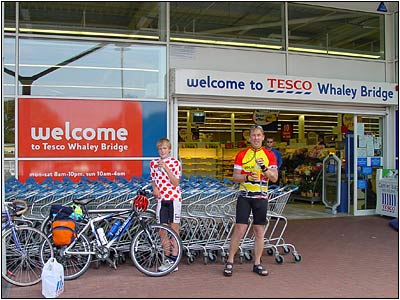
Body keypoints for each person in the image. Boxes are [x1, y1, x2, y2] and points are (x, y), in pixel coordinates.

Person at [223, 125, 278, 277]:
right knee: (240, 228)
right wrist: (247, 177)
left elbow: (274, 178)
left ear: (263, 137)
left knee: (259, 230)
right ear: (249, 137)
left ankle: (257, 263)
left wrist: (264, 169)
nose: (256, 138)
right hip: (245, 196)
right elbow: (235, 177)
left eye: (258, 135)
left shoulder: (269, 155)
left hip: (261, 197)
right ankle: (230, 261)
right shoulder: (242, 154)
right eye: (253, 135)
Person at [150, 138, 182, 272]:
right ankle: (167, 257)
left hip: (173, 198)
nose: (162, 151)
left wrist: (166, 169)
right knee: (162, 230)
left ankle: (175, 259)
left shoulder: (175, 163)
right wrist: (155, 188)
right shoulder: (153, 163)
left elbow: (176, 182)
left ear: (169, 149)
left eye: (164, 148)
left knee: (174, 229)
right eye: (160, 149)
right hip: (161, 199)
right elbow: (153, 180)